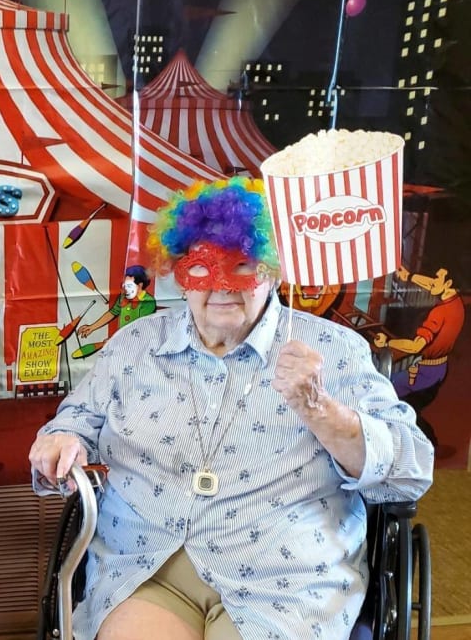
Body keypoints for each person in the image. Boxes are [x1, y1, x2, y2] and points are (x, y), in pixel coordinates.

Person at [28, 177, 433, 640]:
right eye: (201, 268)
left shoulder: (334, 351)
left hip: (287, 579)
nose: (220, 286)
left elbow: (411, 469)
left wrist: (322, 411)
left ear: (274, 271)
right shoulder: (135, 346)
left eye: (242, 265)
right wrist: (60, 442)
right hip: (145, 566)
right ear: (179, 272)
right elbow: (75, 423)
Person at [373, 265, 465, 446]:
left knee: (386, 392)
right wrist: (410, 277)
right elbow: (432, 285)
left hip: (426, 373)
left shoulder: (439, 313)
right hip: (438, 368)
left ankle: (424, 442)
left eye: (437, 279)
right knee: (406, 403)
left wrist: (386, 343)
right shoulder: (456, 303)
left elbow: (415, 346)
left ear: (448, 283)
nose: (431, 282)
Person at [77, 264, 156, 338]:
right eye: (124, 285)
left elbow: (140, 326)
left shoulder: (148, 301)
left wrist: (115, 340)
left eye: (129, 286)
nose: (125, 289)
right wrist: (92, 327)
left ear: (140, 285)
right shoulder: (123, 297)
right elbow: (112, 313)